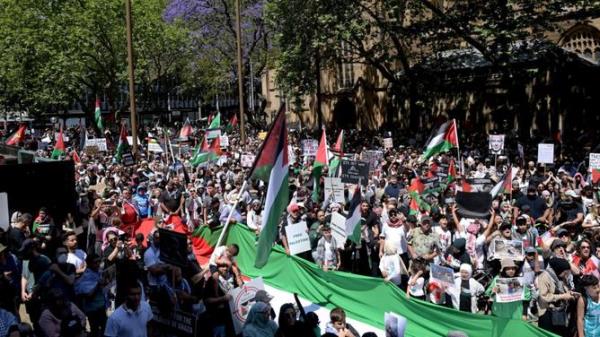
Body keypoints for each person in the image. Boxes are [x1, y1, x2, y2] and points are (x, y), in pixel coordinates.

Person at [537, 257, 580, 336]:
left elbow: (563, 290)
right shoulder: (544, 277)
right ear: (559, 269)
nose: (566, 274)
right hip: (547, 314)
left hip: (558, 314)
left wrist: (570, 294)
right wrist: (563, 296)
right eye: (565, 272)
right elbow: (544, 297)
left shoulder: (559, 277)